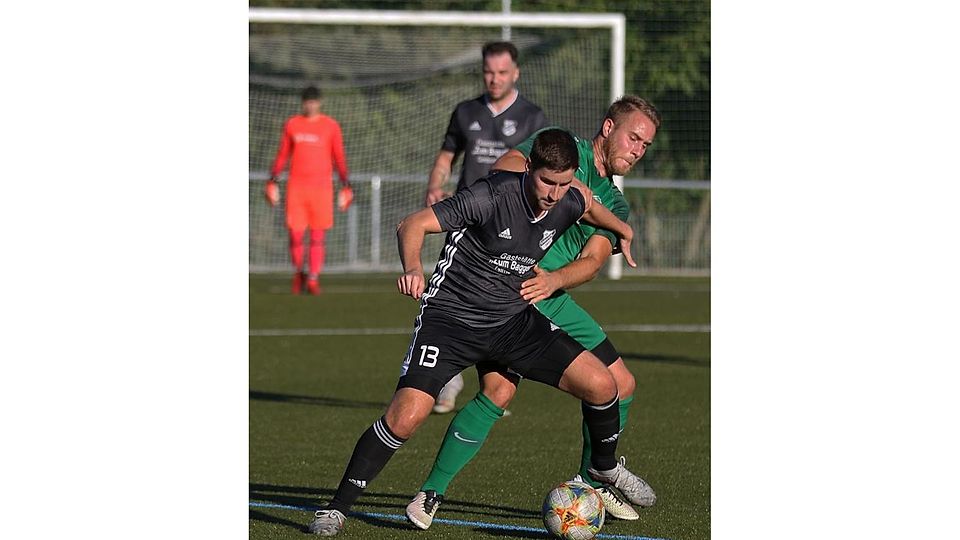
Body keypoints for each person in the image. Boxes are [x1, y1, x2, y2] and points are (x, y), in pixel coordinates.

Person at [308, 130, 650, 537]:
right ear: (528, 169)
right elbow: (412, 224)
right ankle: (336, 507)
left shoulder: (568, 198)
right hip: (451, 319)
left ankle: (603, 465)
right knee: (407, 416)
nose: (554, 194)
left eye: (563, 185)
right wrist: (414, 268)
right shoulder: (491, 195)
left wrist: (622, 231)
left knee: (602, 384)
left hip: (511, 321)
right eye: (546, 182)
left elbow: (589, 205)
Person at [405, 96, 662, 528]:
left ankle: (590, 480)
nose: (637, 150)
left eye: (645, 146)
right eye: (633, 137)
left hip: (550, 292)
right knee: (500, 392)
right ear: (608, 127)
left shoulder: (616, 205)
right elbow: (505, 167)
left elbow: (594, 261)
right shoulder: (560, 149)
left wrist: (554, 280)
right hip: (507, 287)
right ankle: (431, 493)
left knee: (620, 384)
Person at [426, 41, 548, 413]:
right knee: (449, 295)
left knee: (503, 302)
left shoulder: (532, 117)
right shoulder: (465, 112)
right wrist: (435, 184)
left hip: (513, 224)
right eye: (488, 72)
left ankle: (496, 386)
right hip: (467, 219)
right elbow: (447, 156)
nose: (493, 79)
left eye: (501, 72)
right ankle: (447, 378)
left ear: (516, 74)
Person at [266, 86, 353, 296]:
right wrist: (272, 179)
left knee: (317, 236)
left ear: (319, 102)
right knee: (295, 235)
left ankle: (313, 278)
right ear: (302, 102)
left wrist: (346, 183)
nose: (310, 105)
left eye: (314, 101)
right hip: (296, 188)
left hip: (321, 190)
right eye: (307, 101)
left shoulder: (330, 126)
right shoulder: (292, 124)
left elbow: (338, 155)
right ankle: (299, 272)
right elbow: (282, 154)